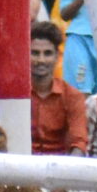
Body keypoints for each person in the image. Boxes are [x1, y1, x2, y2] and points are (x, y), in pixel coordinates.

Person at [30, 21, 88, 155]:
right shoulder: (16, 95)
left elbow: (79, 141)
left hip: (59, 167)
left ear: (57, 56)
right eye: (35, 53)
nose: (41, 60)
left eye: (47, 53)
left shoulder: (72, 96)